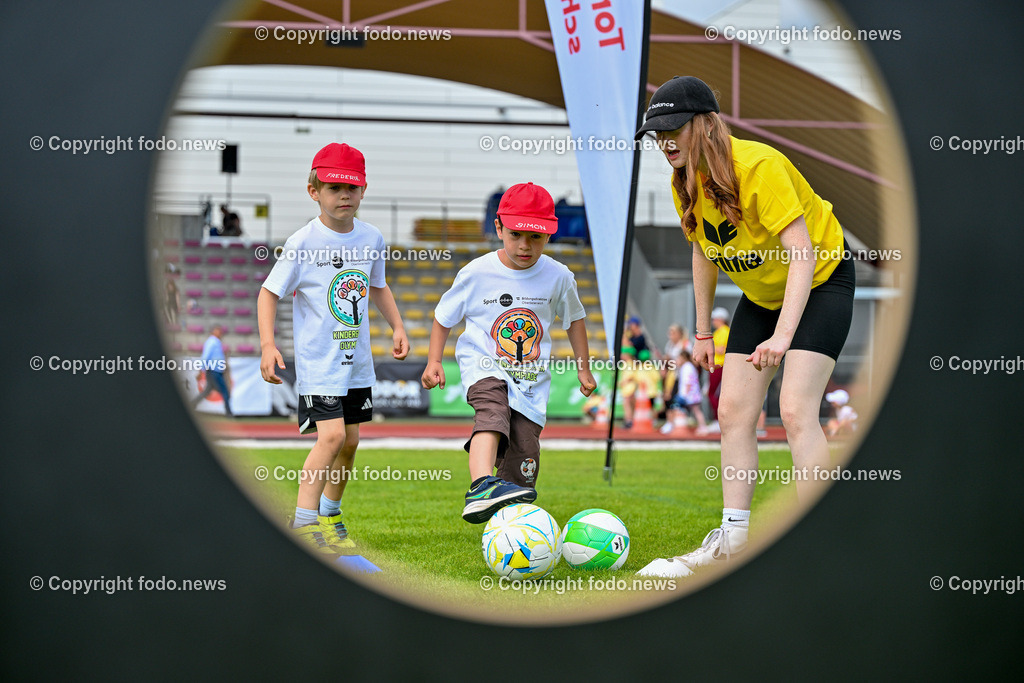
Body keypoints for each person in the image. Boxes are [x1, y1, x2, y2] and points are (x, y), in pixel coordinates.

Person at [634, 76, 856, 577]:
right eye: (656, 133)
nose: (664, 141)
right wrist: (703, 332)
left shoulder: (760, 167)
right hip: (761, 294)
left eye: (673, 129)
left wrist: (783, 336)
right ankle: (732, 539)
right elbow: (702, 250)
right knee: (732, 409)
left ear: (705, 125)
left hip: (820, 280)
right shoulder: (683, 180)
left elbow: (803, 256)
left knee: (796, 409)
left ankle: (821, 541)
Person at [258, 142, 409, 555]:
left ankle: (330, 514)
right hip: (319, 364)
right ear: (314, 191)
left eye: (352, 188)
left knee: (350, 442)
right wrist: (268, 344)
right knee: (331, 437)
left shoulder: (372, 237)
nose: (344, 196)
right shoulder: (303, 241)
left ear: (363, 191)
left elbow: (376, 285)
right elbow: (269, 293)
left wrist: (396, 325)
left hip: (355, 365)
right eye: (333, 188)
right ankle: (304, 524)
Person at [421, 182, 596, 523]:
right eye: (516, 234)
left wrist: (583, 368)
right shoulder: (476, 273)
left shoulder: (559, 277)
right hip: (483, 365)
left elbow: (574, 320)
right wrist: (433, 360)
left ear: (550, 236)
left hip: (530, 381)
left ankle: (511, 525)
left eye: (536, 238)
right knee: (493, 412)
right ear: (499, 227)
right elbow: (444, 317)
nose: (525, 246)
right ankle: (481, 485)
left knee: (524, 459)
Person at [661, 349, 710, 435]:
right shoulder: (688, 366)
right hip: (691, 394)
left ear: (683, 358)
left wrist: (683, 395)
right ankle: (701, 426)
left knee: (677, 408)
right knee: (695, 410)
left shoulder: (686, 367)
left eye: (678, 359)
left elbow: (687, 382)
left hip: (689, 394)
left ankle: (673, 425)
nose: (677, 361)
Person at [192, 324, 232, 416]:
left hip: (216, 371)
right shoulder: (212, 341)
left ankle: (192, 404)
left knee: (207, 391)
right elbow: (205, 356)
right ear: (213, 331)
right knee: (225, 392)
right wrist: (201, 370)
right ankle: (229, 413)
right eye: (218, 330)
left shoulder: (216, 342)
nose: (220, 333)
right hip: (214, 371)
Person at [705, 307, 731, 432]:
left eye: (715, 318)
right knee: (714, 394)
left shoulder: (725, 331)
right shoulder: (718, 332)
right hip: (716, 365)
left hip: (720, 366)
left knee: (713, 394)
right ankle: (718, 420)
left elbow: (722, 350)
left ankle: (718, 420)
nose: (713, 321)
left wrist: (709, 348)